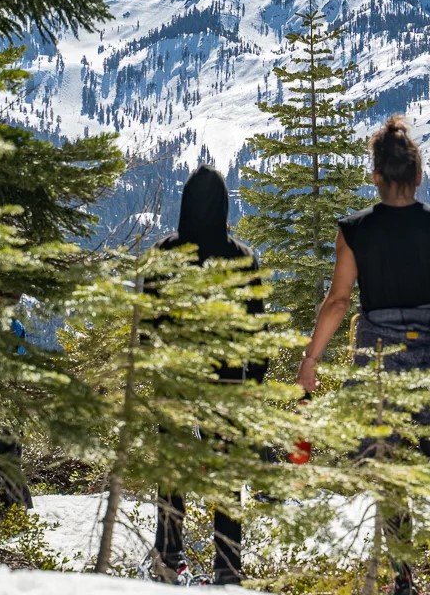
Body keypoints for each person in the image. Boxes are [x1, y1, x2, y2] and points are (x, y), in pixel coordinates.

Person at [295, 116, 430, 595]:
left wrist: (310, 362)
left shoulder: (354, 231)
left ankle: (403, 577)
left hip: (379, 356)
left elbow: (336, 302)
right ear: (417, 176)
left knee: (384, 457)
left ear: (375, 176)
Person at [147, 166, 264, 586]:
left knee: (172, 473)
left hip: (175, 376)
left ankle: (168, 558)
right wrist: (254, 386)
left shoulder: (163, 253)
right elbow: (258, 330)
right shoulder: (241, 257)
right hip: (227, 381)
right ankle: (227, 568)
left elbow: (150, 324)